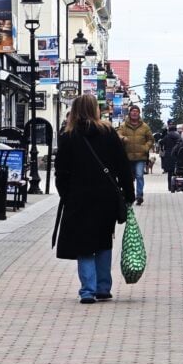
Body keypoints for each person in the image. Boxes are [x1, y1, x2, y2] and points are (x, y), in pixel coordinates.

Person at [54, 95, 135, 303]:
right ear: (95, 110)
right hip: (105, 195)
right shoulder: (108, 133)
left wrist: (65, 193)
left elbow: (61, 170)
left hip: (78, 196)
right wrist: (128, 193)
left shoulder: (69, 135)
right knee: (103, 240)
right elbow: (123, 166)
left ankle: (88, 290)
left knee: (83, 242)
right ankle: (103, 287)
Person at [117, 106, 154, 205]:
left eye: (136, 111)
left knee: (139, 175)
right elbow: (118, 134)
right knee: (128, 177)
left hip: (140, 157)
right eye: (133, 111)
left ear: (139, 113)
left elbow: (151, 139)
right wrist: (123, 138)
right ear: (129, 113)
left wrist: (145, 147)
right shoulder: (123, 125)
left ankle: (139, 195)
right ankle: (129, 195)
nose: (134, 113)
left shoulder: (145, 126)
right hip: (127, 156)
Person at [159, 122, 182, 191]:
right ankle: (177, 186)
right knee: (177, 172)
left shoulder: (167, 136)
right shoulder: (179, 136)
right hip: (177, 155)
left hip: (168, 155)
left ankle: (170, 187)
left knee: (170, 173)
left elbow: (161, 142)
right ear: (176, 130)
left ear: (169, 130)